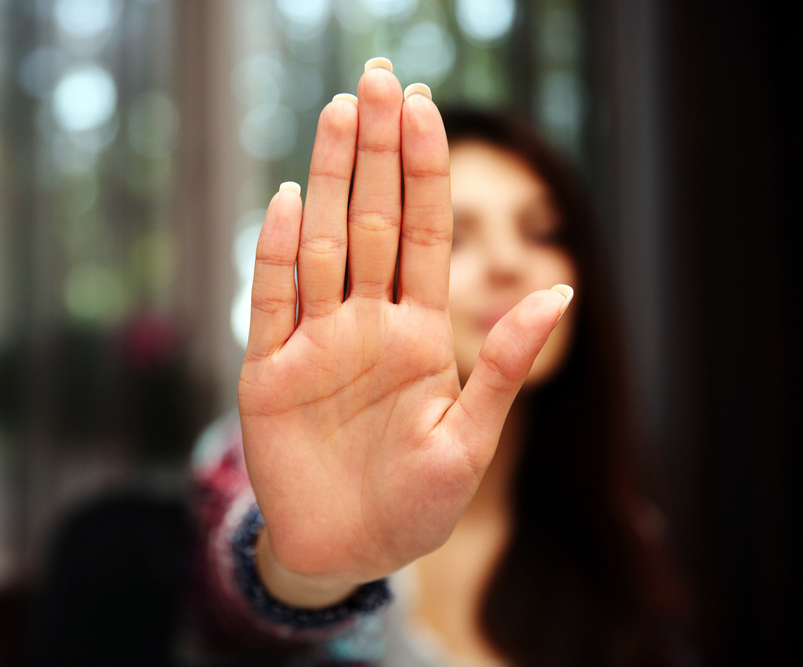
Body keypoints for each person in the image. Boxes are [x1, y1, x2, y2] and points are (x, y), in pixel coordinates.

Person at [188, 58, 688, 666]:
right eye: (458, 235)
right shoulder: (252, 463)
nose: (508, 261)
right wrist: (309, 575)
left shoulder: (622, 536)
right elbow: (221, 610)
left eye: (544, 231)